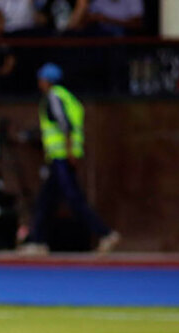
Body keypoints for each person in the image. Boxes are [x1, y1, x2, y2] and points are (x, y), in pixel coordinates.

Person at [23, 63, 120, 254]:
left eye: (41, 79)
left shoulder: (54, 96)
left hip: (62, 157)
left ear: (48, 80)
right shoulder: (67, 96)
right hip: (58, 158)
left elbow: (65, 125)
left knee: (73, 199)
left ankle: (105, 233)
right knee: (45, 200)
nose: (39, 82)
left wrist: (69, 152)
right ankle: (37, 241)